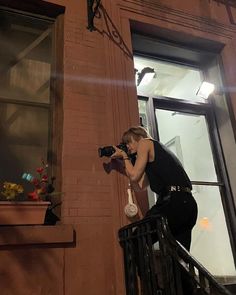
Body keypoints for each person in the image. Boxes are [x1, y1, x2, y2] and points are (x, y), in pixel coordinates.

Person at [111, 126, 198, 294]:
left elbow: (134, 175)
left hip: (172, 202)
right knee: (178, 257)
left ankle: (153, 288)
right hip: (187, 204)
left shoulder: (145, 143)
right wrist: (127, 161)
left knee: (134, 239)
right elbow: (139, 185)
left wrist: (124, 157)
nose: (127, 147)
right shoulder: (157, 152)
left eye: (128, 142)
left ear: (138, 137)